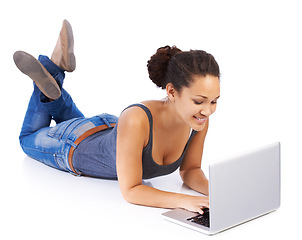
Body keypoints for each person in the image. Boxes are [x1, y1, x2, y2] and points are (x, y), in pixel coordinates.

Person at [14, 20, 220, 215]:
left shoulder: (197, 121)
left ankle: (54, 72)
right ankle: (52, 69)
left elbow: (191, 170)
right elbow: (131, 190)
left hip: (108, 131)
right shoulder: (137, 119)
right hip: (73, 144)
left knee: (64, 111)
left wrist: (218, 193)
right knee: (27, 137)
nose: (208, 111)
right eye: (199, 101)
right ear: (172, 92)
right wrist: (184, 201)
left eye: (214, 101)